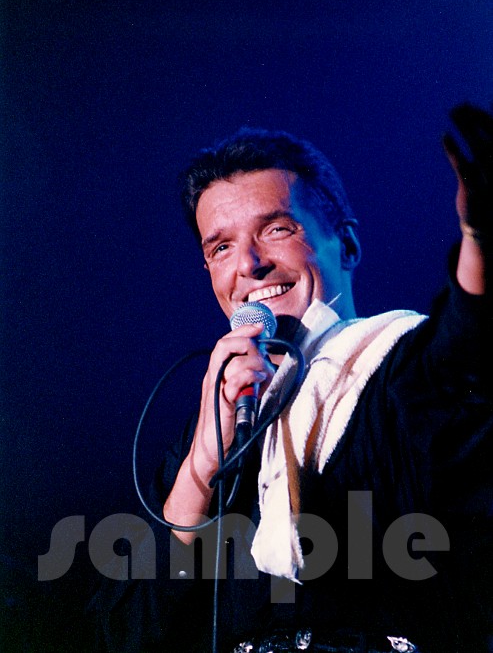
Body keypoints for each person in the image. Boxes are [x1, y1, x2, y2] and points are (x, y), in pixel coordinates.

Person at [91, 104, 492, 653]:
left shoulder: (400, 366)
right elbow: (125, 634)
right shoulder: (209, 432)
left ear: (346, 244)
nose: (248, 263)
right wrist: (201, 467)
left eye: (277, 228)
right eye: (221, 247)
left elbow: (468, 350)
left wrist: (480, 236)